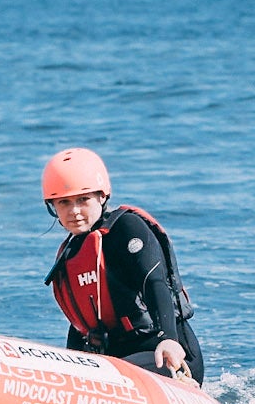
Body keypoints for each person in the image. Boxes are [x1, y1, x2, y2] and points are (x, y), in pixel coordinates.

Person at [40, 147, 205, 383]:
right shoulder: (70, 254)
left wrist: (169, 339)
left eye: (83, 199)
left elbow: (155, 283)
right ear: (52, 206)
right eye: (64, 202)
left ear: (102, 196)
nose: (74, 211)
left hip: (165, 354)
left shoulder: (127, 229)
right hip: (116, 361)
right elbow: (80, 326)